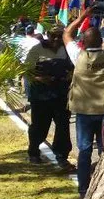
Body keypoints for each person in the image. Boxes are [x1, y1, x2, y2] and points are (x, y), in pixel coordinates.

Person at [63, 9, 104, 199]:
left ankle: (83, 188)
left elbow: (67, 33)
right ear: (101, 41)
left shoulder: (78, 55)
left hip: (84, 111)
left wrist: (84, 15)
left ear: (83, 42)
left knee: (84, 150)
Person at [25, 28, 73, 169]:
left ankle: (62, 157)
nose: (57, 39)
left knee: (63, 127)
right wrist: (40, 78)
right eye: (53, 36)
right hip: (41, 96)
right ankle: (33, 153)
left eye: (60, 36)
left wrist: (70, 75)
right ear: (48, 35)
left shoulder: (66, 50)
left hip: (61, 94)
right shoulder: (37, 49)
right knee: (39, 126)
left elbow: (74, 67)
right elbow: (27, 71)